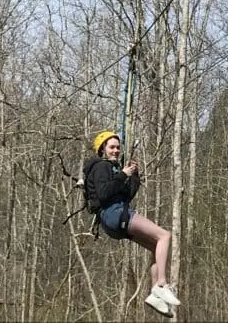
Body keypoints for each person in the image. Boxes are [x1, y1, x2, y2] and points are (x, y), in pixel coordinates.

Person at [84, 130, 181, 317]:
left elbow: (126, 195)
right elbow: (104, 193)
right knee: (165, 236)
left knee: (156, 245)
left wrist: (134, 176)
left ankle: (155, 294)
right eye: (112, 147)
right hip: (114, 214)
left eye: (118, 147)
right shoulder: (100, 167)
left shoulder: (112, 169)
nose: (116, 151)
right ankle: (161, 284)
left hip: (116, 218)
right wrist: (121, 174)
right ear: (102, 149)